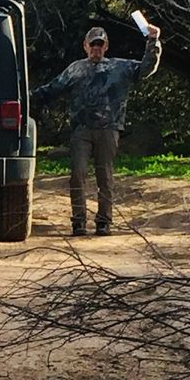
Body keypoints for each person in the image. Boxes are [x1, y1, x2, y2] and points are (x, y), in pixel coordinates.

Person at [30, 21, 162, 236]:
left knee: (105, 177)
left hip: (109, 129)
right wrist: (25, 98)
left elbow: (146, 69)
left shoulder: (120, 67)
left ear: (106, 46)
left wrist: (153, 41)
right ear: (86, 46)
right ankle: (79, 221)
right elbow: (51, 90)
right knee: (78, 175)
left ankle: (104, 221)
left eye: (100, 45)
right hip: (81, 130)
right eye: (93, 44)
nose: (96, 48)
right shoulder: (76, 68)